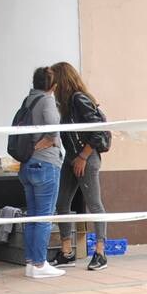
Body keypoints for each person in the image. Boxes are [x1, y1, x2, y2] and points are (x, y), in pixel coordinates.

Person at [49, 61, 111, 271]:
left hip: (86, 157)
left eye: (53, 79)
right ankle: (67, 251)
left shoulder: (79, 99)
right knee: (62, 203)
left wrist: (83, 157)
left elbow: (97, 130)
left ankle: (101, 252)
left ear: (61, 79)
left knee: (94, 204)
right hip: (71, 157)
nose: (51, 85)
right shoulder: (64, 104)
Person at [16, 66, 65, 279]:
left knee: (33, 216)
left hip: (27, 166)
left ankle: (30, 262)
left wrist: (31, 149)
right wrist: (40, 146)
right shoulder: (46, 100)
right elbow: (54, 130)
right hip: (45, 164)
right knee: (45, 216)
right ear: (52, 86)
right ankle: (39, 264)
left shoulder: (28, 100)